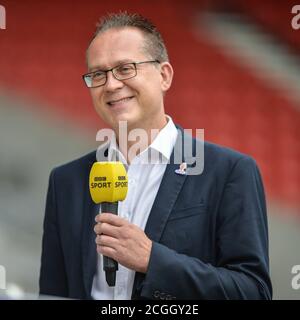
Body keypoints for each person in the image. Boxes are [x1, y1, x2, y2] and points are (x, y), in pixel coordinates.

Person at [39, 12, 272, 300]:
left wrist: (153, 260)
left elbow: (253, 292)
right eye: (98, 74)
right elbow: (52, 295)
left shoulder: (229, 172)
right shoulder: (65, 181)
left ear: (164, 76)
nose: (111, 85)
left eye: (125, 68)